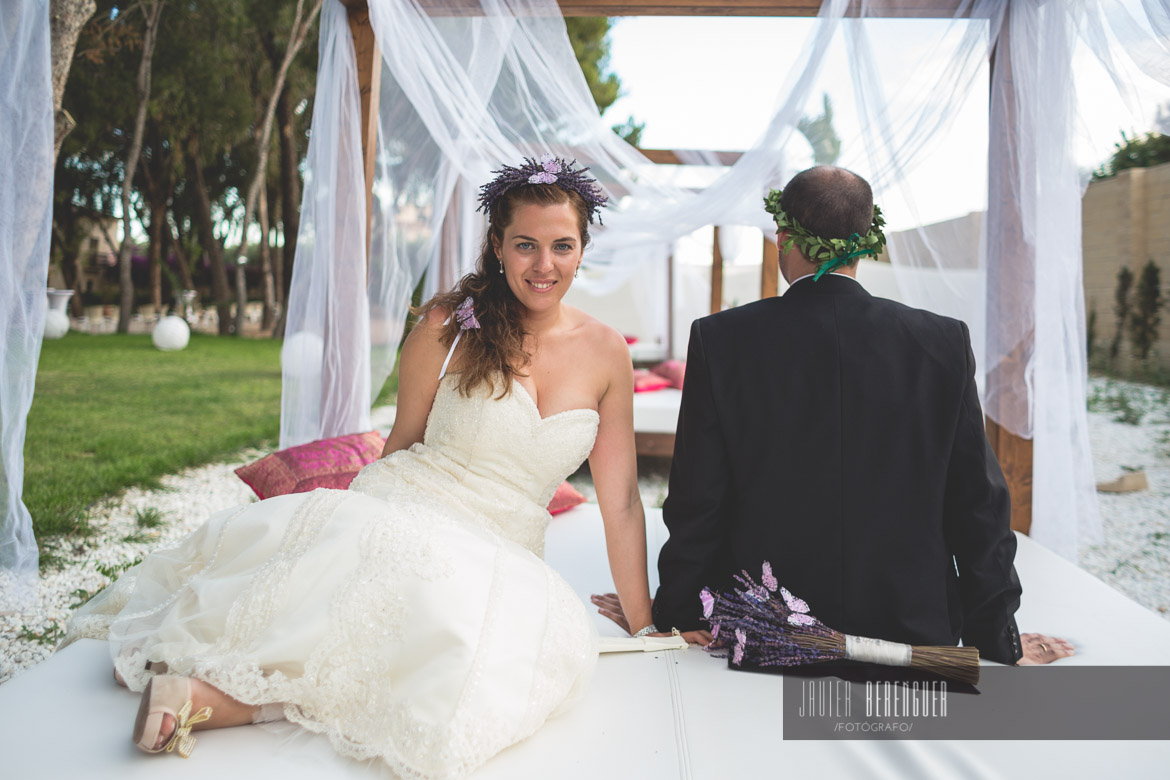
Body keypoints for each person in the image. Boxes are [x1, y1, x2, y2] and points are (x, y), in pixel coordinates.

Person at [65, 155, 662, 777]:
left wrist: (645, 627)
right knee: (378, 596)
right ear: (497, 246)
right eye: (526, 245)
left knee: (461, 657)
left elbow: (619, 501)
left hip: (506, 548)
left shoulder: (605, 352)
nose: (545, 266)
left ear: (582, 247)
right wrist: (351, 525)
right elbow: (402, 443)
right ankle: (194, 692)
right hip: (412, 500)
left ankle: (190, 693)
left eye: (562, 246)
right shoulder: (448, 327)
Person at [596, 165, 1071, 667]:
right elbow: (978, 503)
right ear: (867, 242)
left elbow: (697, 499)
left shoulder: (722, 341)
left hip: (766, 632)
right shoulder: (941, 342)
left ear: (783, 239)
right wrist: (997, 638)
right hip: (911, 635)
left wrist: (675, 615)